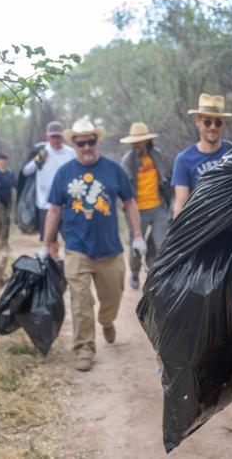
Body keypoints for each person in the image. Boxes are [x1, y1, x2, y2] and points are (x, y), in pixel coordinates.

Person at [37, 117, 147, 372]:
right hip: (77, 249)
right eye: (81, 142)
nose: (86, 147)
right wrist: (46, 245)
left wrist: (138, 235)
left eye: (91, 141)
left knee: (113, 298)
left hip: (110, 250)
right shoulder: (64, 173)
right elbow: (54, 210)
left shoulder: (113, 170)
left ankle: (107, 321)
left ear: (97, 141)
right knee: (80, 301)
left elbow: (129, 203)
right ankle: (84, 348)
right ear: (73, 144)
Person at [120, 122, 172, 289]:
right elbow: (124, 190)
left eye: (140, 141)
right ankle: (134, 273)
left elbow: (169, 178)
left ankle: (157, 275)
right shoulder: (127, 161)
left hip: (158, 207)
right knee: (136, 245)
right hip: (138, 210)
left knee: (162, 243)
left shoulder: (158, 156)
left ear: (147, 141)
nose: (137, 145)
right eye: (134, 142)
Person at [171, 93, 232, 218]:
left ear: (223, 124)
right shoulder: (184, 159)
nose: (212, 127)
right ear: (197, 121)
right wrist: (178, 234)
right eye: (207, 122)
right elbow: (180, 202)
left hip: (231, 221)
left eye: (218, 123)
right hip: (201, 225)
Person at [22, 121, 76, 258]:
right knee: (50, 241)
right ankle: (55, 269)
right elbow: (26, 171)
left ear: (62, 137)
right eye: (53, 136)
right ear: (47, 136)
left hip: (67, 204)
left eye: (58, 136)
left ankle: (69, 267)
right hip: (45, 203)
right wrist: (39, 159)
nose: (55, 140)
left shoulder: (71, 153)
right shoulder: (41, 152)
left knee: (71, 239)